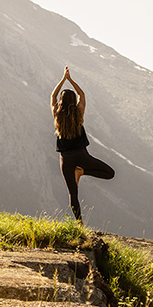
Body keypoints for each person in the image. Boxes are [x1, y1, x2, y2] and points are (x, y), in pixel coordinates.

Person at [50, 66, 114, 225]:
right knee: (109, 173)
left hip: (65, 159)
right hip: (81, 155)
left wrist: (62, 80)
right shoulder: (79, 113)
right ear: (73, 102)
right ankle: (82, 171)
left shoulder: (57, 115)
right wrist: (70, 79)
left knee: (73, 193)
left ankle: (80, 224)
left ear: (61, 102)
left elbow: (53, 95)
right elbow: (82, 94)